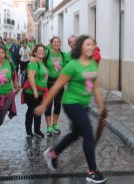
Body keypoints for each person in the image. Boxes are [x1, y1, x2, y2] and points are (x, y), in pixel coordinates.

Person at [34, 35, 107, 183]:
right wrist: (44, 104)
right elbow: (57, 86)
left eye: (93, 44)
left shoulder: (93, 63)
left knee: (75, 134)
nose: (91, 47)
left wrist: (101, 107)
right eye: (88, 44)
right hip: (71, 103)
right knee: (87, 132)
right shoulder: (72, 65)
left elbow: (96, 89)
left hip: (84, 104)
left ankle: (53, 153)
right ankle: (93, 171)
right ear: (80, 47)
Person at [21, 44, 48, 138]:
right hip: (31, 92)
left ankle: (37, 130)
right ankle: (29, 131)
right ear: (35, 52)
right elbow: (31, 76)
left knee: (38, 111)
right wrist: (35, 90)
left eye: (43, 50)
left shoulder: (41, 62)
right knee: (31, 111)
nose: (41, 52)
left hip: (41, 92)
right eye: (39, 50)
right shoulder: (33, 63)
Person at [44, 37, 66, 137]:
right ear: (51, 43)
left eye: (58, 42)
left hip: (59, 83)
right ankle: (48, 126)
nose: (56, 43)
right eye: (54, 42)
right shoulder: (47, 53)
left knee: (57, 104)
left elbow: (65, 68)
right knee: (48, 105)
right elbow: (38, 58)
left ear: (60, 43)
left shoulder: (62, 54)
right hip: (48, 83)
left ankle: (55, 124)